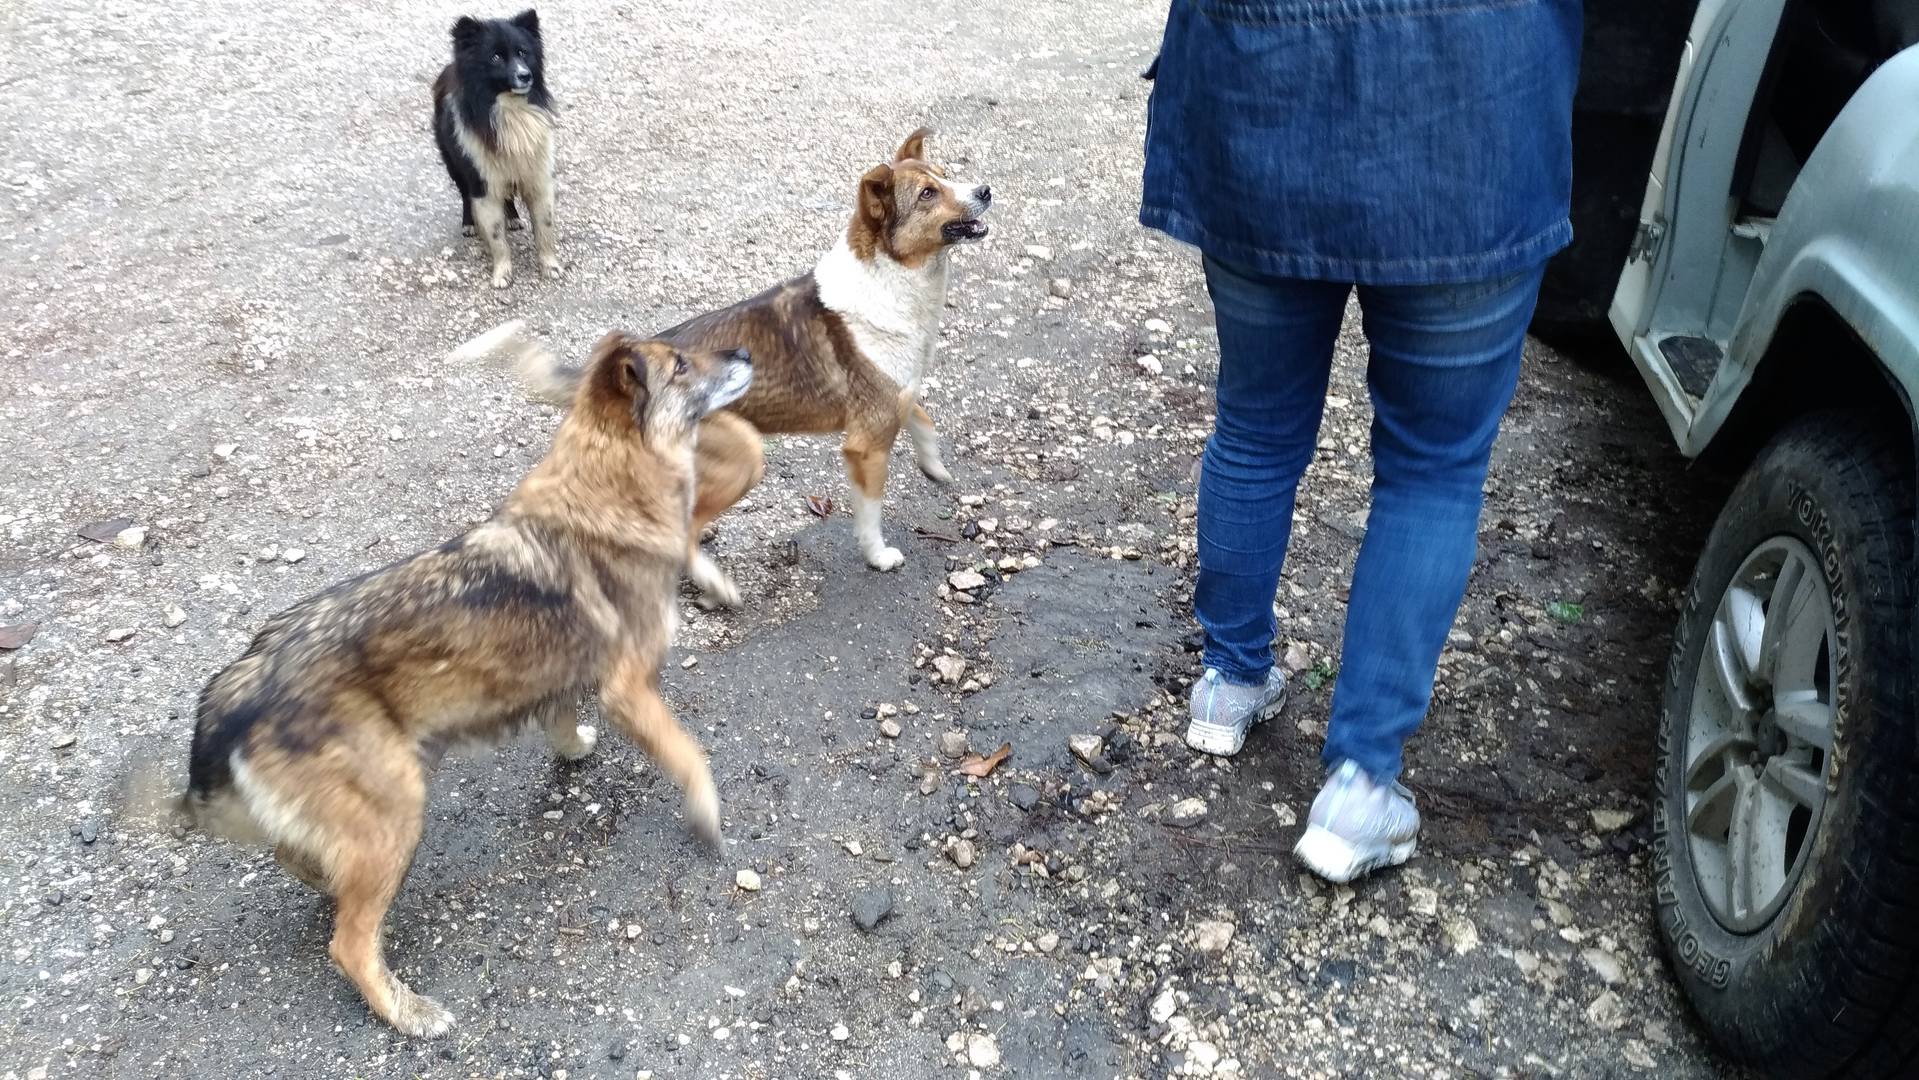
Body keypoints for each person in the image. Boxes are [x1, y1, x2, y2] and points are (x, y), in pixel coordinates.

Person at [1139, 0, 1583, 883]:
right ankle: (1358, 788)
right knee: (1432, 469)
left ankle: (1228, 683)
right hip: (1475, 114)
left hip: (1259, 92)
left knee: (1254, 427)